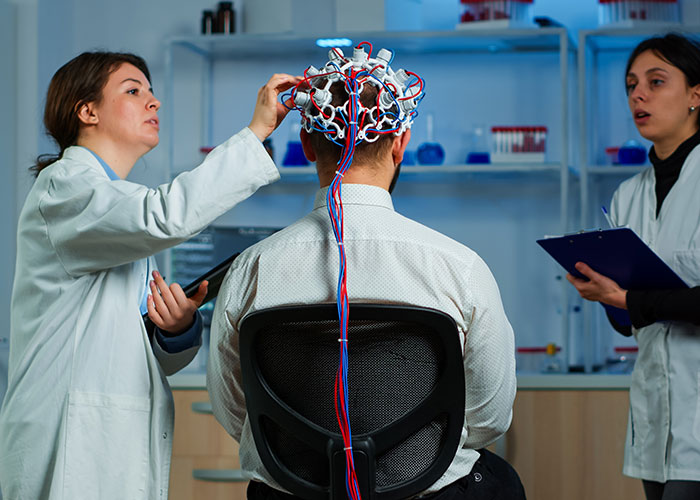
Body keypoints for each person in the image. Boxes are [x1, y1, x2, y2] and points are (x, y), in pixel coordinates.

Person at [207, 45, 524, 499]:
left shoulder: (251, 269)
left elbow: (236, 413)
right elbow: (489, 419)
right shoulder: (459, 268)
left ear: (307, 144)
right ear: (401, 144)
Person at [0, 51, 299, 499]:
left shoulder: (113, 207)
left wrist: (176, 329)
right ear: (88, 111)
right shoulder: (65, 188)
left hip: (110, 438)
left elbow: (140, 355)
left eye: (152, 91)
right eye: (134, 90)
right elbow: (165, 217)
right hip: (67, 437)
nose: (154, 102)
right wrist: (257, 132)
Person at [567, 33, 700, 500]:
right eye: (631, 85)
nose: (638, 95)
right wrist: (602, 291)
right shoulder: (628, 195)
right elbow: (627, 324)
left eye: (656, 81)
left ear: (696, 95)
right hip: (654, 418)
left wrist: (628, 298)